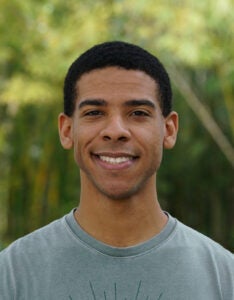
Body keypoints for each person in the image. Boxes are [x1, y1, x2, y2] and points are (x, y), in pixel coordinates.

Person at [0, 41, 233, 300]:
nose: (115, 131)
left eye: (137, 112)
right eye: (95, 112)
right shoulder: (11, 275)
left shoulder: (224, 278)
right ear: (67, 131)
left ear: (169, 130)